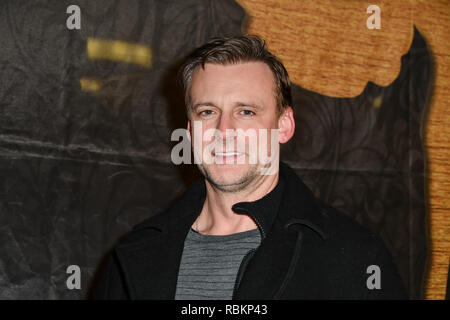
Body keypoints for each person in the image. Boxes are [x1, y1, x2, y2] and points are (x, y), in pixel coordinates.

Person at [94, 35, 407, 299]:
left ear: (284, 126)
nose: (223, 130)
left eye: (245, 111)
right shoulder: (132, 255)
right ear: (189, 131)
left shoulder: (357, 259)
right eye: (207, 111)